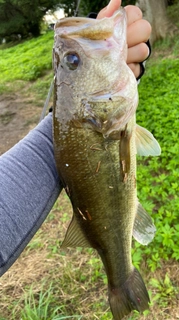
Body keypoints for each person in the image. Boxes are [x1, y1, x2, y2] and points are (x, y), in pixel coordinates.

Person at [0, 0, 151, 277]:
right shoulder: (100, 121)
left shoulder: (100, 121)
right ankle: (122, 278)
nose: (73, 60)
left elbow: (81, 119)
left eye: (72, 60)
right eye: (72, 60)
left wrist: (111, 77)